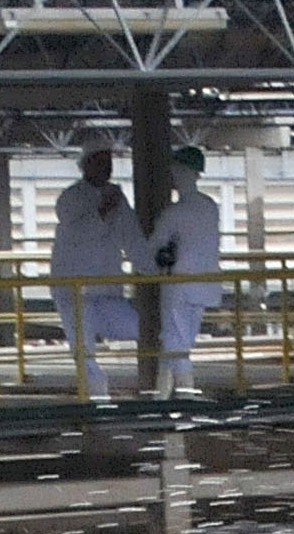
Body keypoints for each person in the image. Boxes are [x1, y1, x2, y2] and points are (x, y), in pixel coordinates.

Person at [48, 145, 146, 401]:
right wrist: (104, 210)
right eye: (101, 161)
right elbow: (80, 232)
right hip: (75, 288)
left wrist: (151, 270)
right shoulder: (71, 198)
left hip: (106, 287)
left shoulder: (116, 197)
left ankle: (165, 377)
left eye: (110, 161)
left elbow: (132, 237)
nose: (107, 167)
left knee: (142, 329)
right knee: (83, 348)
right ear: (86, 166)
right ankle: (95, 396)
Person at [146, 143, 223, 395]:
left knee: (174, 342)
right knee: (178, 341)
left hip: (178, 284)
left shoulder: (173, 214)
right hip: (206, 284)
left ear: (181, 172)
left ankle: (187, 397)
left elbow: (153, 249)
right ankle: (162, 397)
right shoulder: (210, 206)